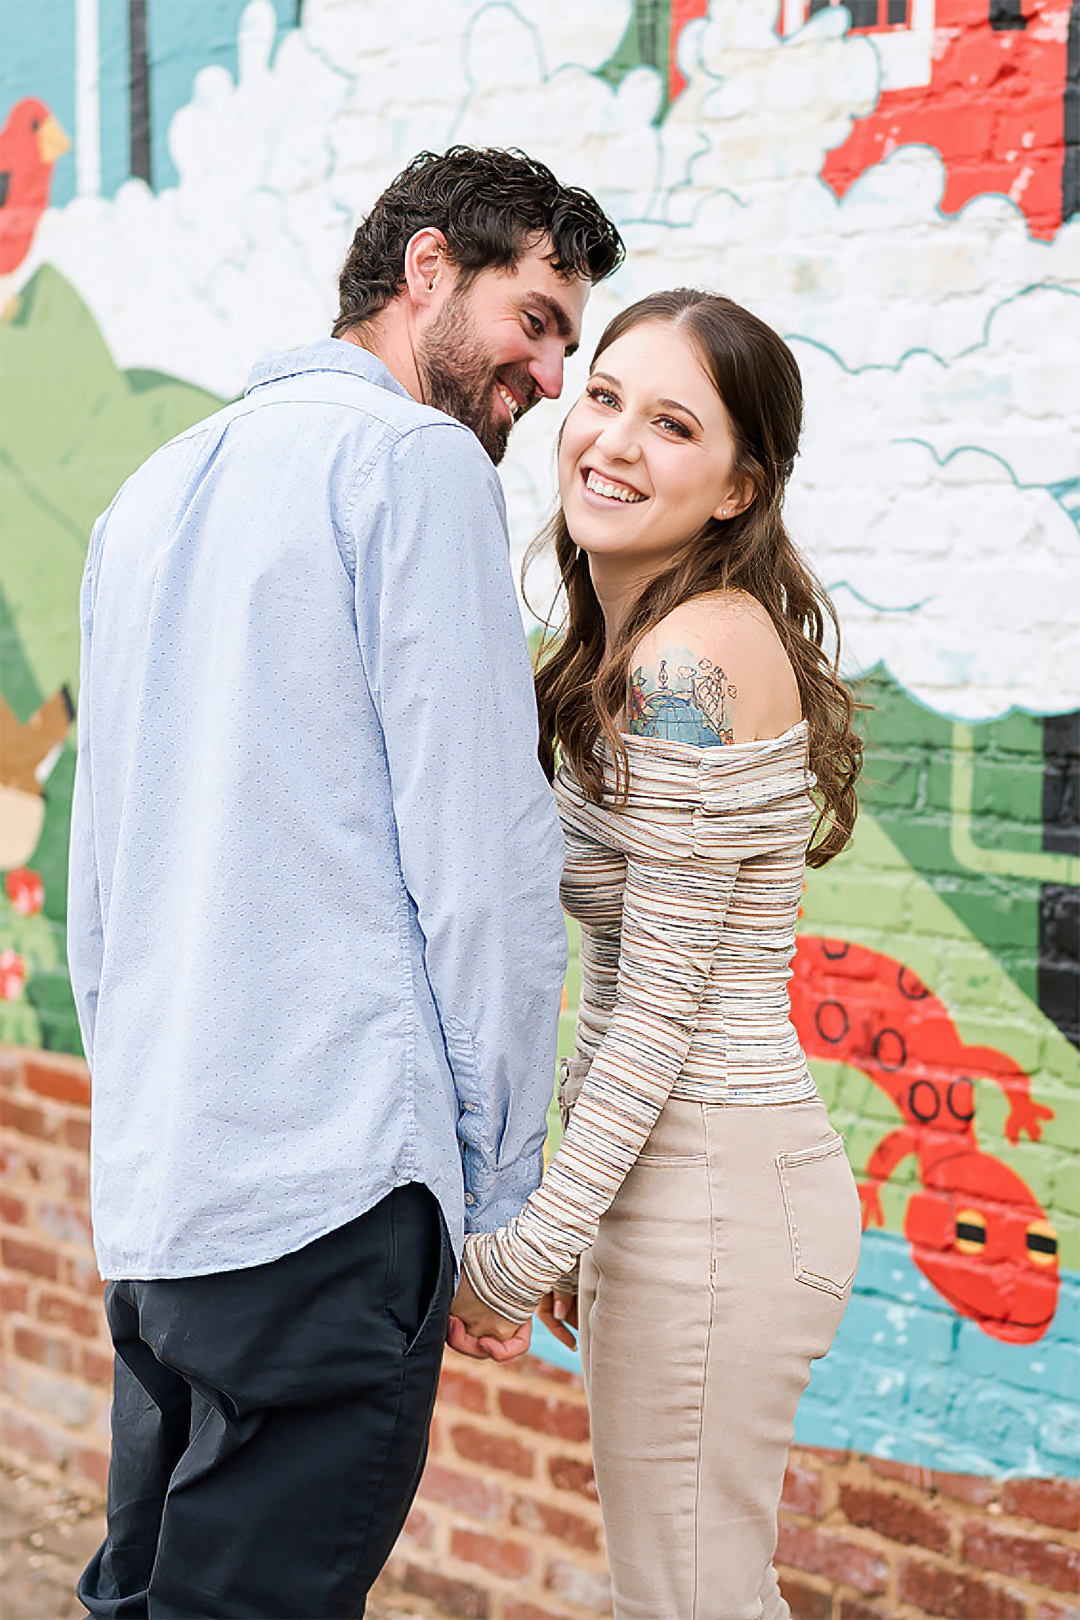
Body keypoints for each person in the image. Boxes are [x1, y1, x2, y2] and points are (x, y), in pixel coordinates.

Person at [67, 147, 623, 1620]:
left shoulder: (150, 492)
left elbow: (99, 882)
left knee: (148, 1594)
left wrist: (136, 1129)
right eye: (540, 316)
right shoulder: (414, 465)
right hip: (329, 1192)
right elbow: (485, 862)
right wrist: (497, 1202)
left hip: (168, 1198)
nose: (554, 376)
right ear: (426, 269)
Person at [452, 288, 865, 1620]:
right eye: (608, 397)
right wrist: (585, 1223)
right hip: (687, 1187)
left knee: (688, 1604)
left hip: (718, 1199)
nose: (614, 443)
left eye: (673, 425)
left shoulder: (683, 664)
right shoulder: (647, 645)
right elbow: (629, 980)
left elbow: (661, 1011)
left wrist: (518, 1252)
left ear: (740, 488)